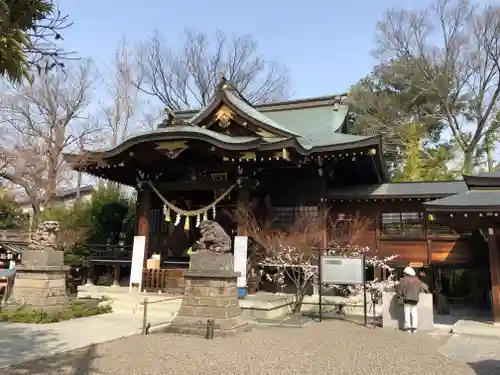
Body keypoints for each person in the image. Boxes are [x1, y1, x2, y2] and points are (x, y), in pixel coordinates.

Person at [397, 266, 430, 333]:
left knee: (407, 313)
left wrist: (399, 295)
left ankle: (408, 328)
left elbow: (399, 289)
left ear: (406, 273)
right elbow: (425, 287)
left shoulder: (404, 279)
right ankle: (414, 328)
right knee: (414, 313)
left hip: (406, 298)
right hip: (415, 299)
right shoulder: (417, 279)